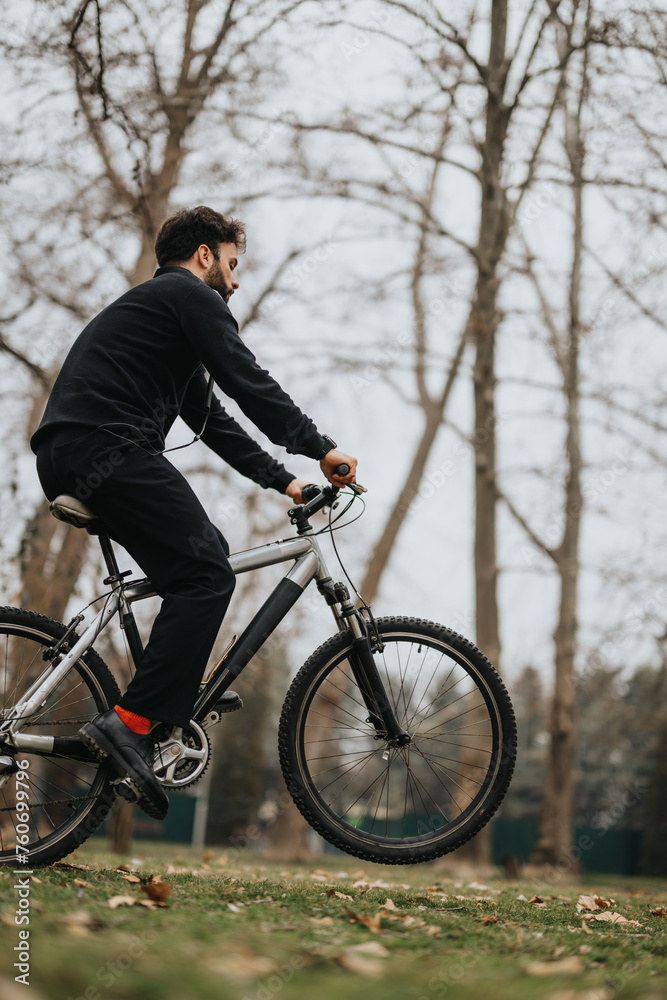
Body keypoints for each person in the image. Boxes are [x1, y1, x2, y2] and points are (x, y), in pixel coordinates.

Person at [30, 205, 358, 820]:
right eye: (232, 266)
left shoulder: (165, 320)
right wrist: (321, 446)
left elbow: (213, 420)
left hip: (78, 448)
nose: (235, 283)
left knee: (196, 573)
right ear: (203, 254)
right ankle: (130, 724)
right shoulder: (186, 295)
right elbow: (247, 379)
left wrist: (286, 480)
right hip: (104, 447)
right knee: (208, 573)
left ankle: (148, 724)